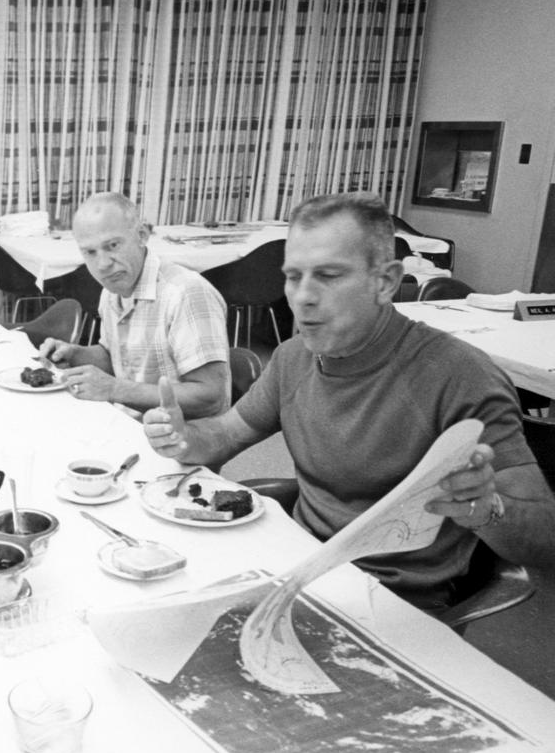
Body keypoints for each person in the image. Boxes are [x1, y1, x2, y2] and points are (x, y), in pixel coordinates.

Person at [144, 192, 555, 609]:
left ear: (386, 282)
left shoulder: (460, 375)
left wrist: (486, 509)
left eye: (328, 275)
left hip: (390, 602)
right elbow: (225, 435)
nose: (302, 297)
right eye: (293, 276)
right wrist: (182, 437)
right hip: (295, 568)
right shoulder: (293, 358)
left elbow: (547, 538)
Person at [37, 192, 230, 417]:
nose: (102, 264)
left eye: (112, 246)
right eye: (90, 252)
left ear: (142, 235)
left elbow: (210, 398)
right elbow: (118, 359)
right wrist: (74, 354)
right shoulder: (113, 289)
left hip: (183, 440)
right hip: (131, 424)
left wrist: (115, 389)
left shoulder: (185, 293)